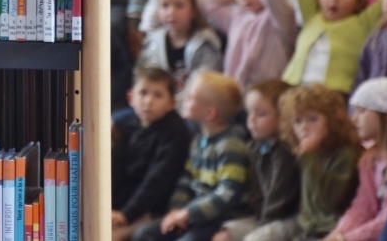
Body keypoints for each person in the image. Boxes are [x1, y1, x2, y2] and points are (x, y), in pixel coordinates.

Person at [134, 71, 252, 241]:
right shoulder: (198, 141)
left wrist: (188, 213)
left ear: (210, 113)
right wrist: (176, 209)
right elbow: (187, 178)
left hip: (219, 217)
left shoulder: (230, 146)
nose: (183, 98)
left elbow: (228, 193)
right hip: (194, 214)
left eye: (190, 97)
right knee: (144, 234)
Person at [111, 67, 193, 241]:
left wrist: (126, 214)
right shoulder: (128, 125)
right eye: (143, 93)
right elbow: (117, 170)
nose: (148, 101)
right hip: (128, 204)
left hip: (155, 209)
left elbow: (157, 180)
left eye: (158, 95)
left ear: (171, 103)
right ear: (131, 98)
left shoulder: (174, 133)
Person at [213, 80, 300, 241]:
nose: (251, 120)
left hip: (289, 218)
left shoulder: (285, 150)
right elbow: (255, 192)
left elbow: (279, 199)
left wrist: (262, 226)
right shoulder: (255, 146)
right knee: (222, 237)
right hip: (263, 216)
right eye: (249, 113)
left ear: (283, 116)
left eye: (260, 114)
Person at [278, 83, 361, 239]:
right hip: (305, 226)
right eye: (297, 121)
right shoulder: (306, 152)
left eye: (312, 119)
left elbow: (329, 201)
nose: (304, 128)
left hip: (330, 228)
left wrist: (310, 158)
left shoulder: (345, 154)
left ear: (332, 120)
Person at [282, 0, 383, 95]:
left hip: (333, 93)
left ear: (358, 2)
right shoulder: (312, 16)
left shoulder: (363, 23)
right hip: (293, 87)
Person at [200, 0, 296, 88]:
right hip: (237, 92)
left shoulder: (278, 16)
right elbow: (204, 2)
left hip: (269, 92)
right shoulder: (236, 17)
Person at [329, 77, 387, 241]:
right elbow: (362, 207)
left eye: (362, 111)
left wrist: (347, 239)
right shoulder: (369, 160)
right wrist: (338, 234)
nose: (354, 119)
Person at [138, 0, 223, 100]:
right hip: (157, 105)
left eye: (179, 6)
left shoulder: (206, 44)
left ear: (193, 10)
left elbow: (205, 86)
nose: (171, 12)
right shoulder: (152, 42)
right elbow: (142, 78)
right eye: (165, 6)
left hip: (194, 106)